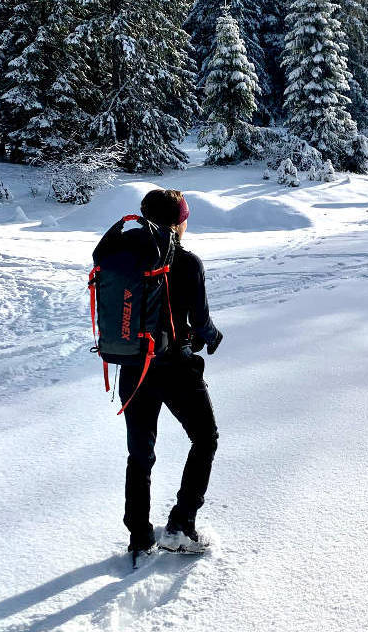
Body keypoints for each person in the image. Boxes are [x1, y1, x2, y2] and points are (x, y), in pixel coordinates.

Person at [122, 188, 223, 559]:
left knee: (140, 455)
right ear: (178, 221)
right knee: (205, 438)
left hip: (134, 369)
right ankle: (181, 526)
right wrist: (212, 337)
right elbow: (201, 323)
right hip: (177, 369)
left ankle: (139, 537)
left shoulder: (125, 259)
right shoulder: (187, 262)